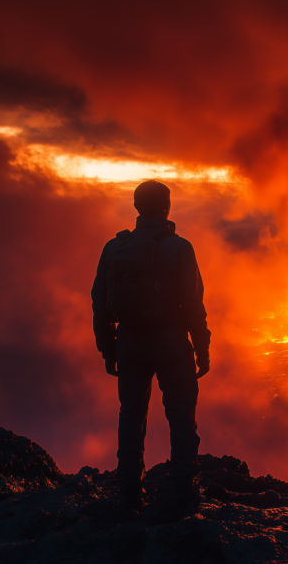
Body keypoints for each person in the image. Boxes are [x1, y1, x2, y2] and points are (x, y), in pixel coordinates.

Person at [91, 180, 210, 508]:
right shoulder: (180, 247)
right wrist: (202, 348)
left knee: (130, 415)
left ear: (135, 206)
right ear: (167, 206)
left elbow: (100, 301)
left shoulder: (114, 248)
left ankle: (129, 492)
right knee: (181, 416)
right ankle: (183, 492)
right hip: (172, 340)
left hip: (129, 340)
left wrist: (108, 349)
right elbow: (192, 303)